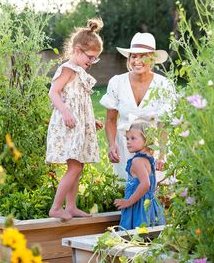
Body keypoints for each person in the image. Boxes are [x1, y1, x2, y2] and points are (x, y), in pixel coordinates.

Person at [46, 18, 104, 220]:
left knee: (78, 166)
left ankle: (71, 206)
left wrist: (91, 120)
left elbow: (82, 102)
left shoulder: (80, 72)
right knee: (75, 166)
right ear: (78, 51)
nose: (92, 62)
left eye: (96, 59)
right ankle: (56, 207)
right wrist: (65, 112)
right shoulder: (68, 69)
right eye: (90, 57)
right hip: (68, 125)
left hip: (79, 125)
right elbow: (54, 93)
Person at [100, 32, 176, 182]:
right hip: (125, 147)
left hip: (153, 146)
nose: (137, 61)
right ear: (129, 59)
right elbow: (110, 120)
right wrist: (111, 145)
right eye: (134, 56)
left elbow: (164, 123)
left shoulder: (164, 85)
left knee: (157, 192)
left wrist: (162, 154)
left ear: (153, 59)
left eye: (143, 56)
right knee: (128, 190)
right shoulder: (117, 83)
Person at [114, 120, 165, 230]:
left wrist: (128, 202)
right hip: (150, 206)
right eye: (127, 138)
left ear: (146, 140)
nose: (128, 142)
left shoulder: (137, 161)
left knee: (134, 238)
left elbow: (145, 184)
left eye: (133, 138)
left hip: (138, 208)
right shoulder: (148, 159)